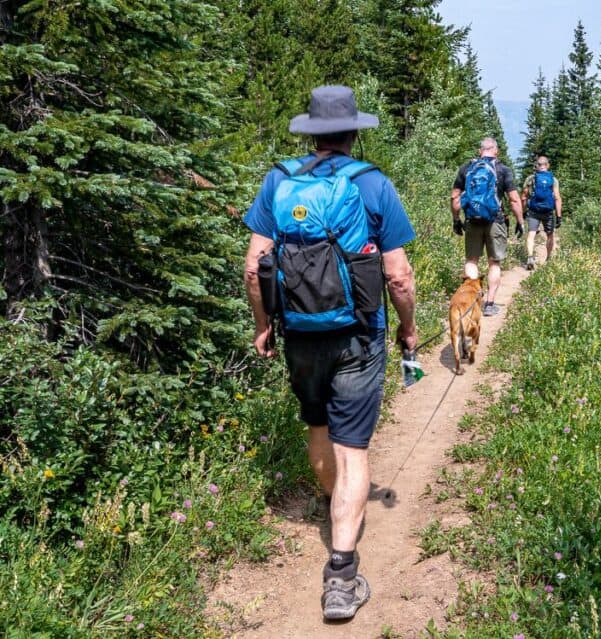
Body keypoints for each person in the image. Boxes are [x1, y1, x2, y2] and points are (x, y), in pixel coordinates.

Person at [242, 85, 417, 621]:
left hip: (299, 333)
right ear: (354, 132)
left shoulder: (279, 180)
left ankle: (331, 502)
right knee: (353, 450)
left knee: (317, 425)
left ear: (310, 133)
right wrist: (408, 329)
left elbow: (254, 266)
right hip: (359, 335)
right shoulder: (373, 184)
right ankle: (341, 574)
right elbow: (399, 275)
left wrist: (264, 325)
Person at [450, 137, 524, 317]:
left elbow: (454, 197)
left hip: (472, 221)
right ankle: (489, 304)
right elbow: (514, 199)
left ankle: (470, 304)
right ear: (496, 151)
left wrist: (456, 220)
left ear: (479, 150)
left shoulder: (467, 168)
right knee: (494, 263)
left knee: (472, 261)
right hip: (495, 221)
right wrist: (520, 222)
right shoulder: (503, 170)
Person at [520, 155, 563, 270]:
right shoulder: (553, 180)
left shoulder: (530, 179)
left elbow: (524, 197)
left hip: (533, 211)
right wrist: (559, 216)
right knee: (550, 235)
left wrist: (523, 212)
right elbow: (557, 198)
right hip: (548, 212)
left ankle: (530, 257)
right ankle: (548, 259)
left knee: (531, 234)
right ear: (547, 165)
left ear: (536, 166)